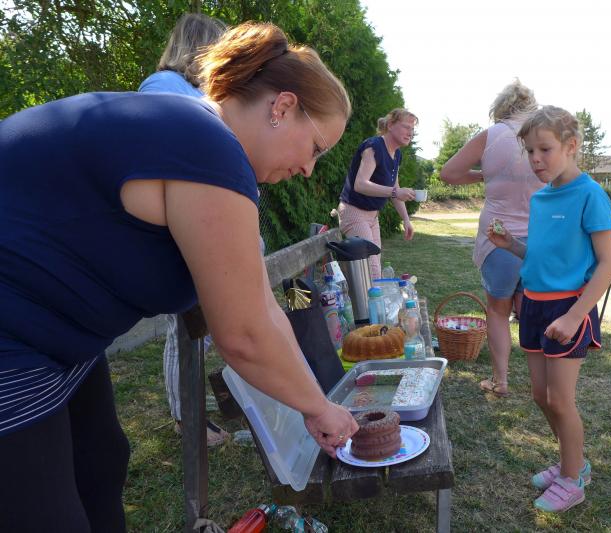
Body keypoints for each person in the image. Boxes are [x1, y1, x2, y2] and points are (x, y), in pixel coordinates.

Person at [0, 21, 359, 531]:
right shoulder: (207, 146)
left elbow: (262, 307)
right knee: (44, 513)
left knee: (102, 463)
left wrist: (314, 399)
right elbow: (243, 335)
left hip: (59, 336)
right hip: (14, 335)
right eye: (317, 147)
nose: (309, 168)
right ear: (282, 107)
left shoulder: (200, 137)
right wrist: (318, 409)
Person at [487, 106, 611, 512]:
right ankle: (571, 461)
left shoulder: (590, 195)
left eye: (544, 149)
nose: (535, 159)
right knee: (541, 396)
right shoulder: (541, 198)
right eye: (530, 151)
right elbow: (541, 256)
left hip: (568, 308)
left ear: (571, 146)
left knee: (560, 400)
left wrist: (575, 316)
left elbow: (607, 265)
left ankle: (573, 478)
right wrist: (512, 246)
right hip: (534, 307)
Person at [139, 12, 229, 447]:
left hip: (193, 229)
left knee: (198, 329)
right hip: (173, 234)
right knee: (184, 329)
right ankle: (185, 418)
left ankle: (193, 411)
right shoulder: (163, 88)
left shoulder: (190, 92)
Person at [440, 79, 543, 397]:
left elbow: (449, 173)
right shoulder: (543, 137)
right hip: (538, 237)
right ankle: (542, 383)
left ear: (501, 107)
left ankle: (500, 381)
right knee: (531, 312)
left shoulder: (492, 134)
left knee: (497, 311)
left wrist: (485, 174)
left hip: (498, 236)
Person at [337, 109, 417, 279]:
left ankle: (363, 297)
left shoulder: (396, 154)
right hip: (354, 213)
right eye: (406, 127)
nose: (410, 133)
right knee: (371, 270)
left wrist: (406, 219)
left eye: (412, 129)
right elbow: (360, 184)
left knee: (375, 269)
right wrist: (395, 192)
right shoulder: (374, 146)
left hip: (373, 217)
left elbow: (394, 187)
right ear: (390, 125)